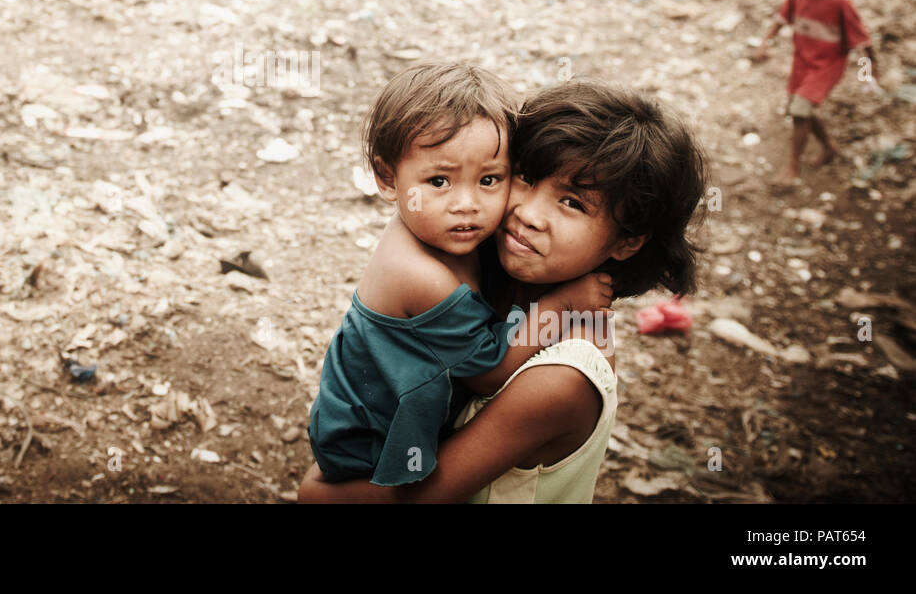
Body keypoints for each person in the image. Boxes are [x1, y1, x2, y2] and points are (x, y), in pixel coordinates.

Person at [299, 81, 707, 502]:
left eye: (572, 204)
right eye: (525, 178)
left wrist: (315, 493)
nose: (528, 214)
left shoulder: (562, 379)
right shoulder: (485, 272)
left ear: (628, 241)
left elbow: (415, 499)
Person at [752, 0, 879, 185]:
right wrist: (765, 41)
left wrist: (871, 68)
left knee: (799, 111)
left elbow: (863, 40)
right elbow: (781, 18)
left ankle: (792, 167)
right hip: (802, 64)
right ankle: (830, 147)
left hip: (826, 67)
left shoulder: (840, 3)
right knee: (805, 110)